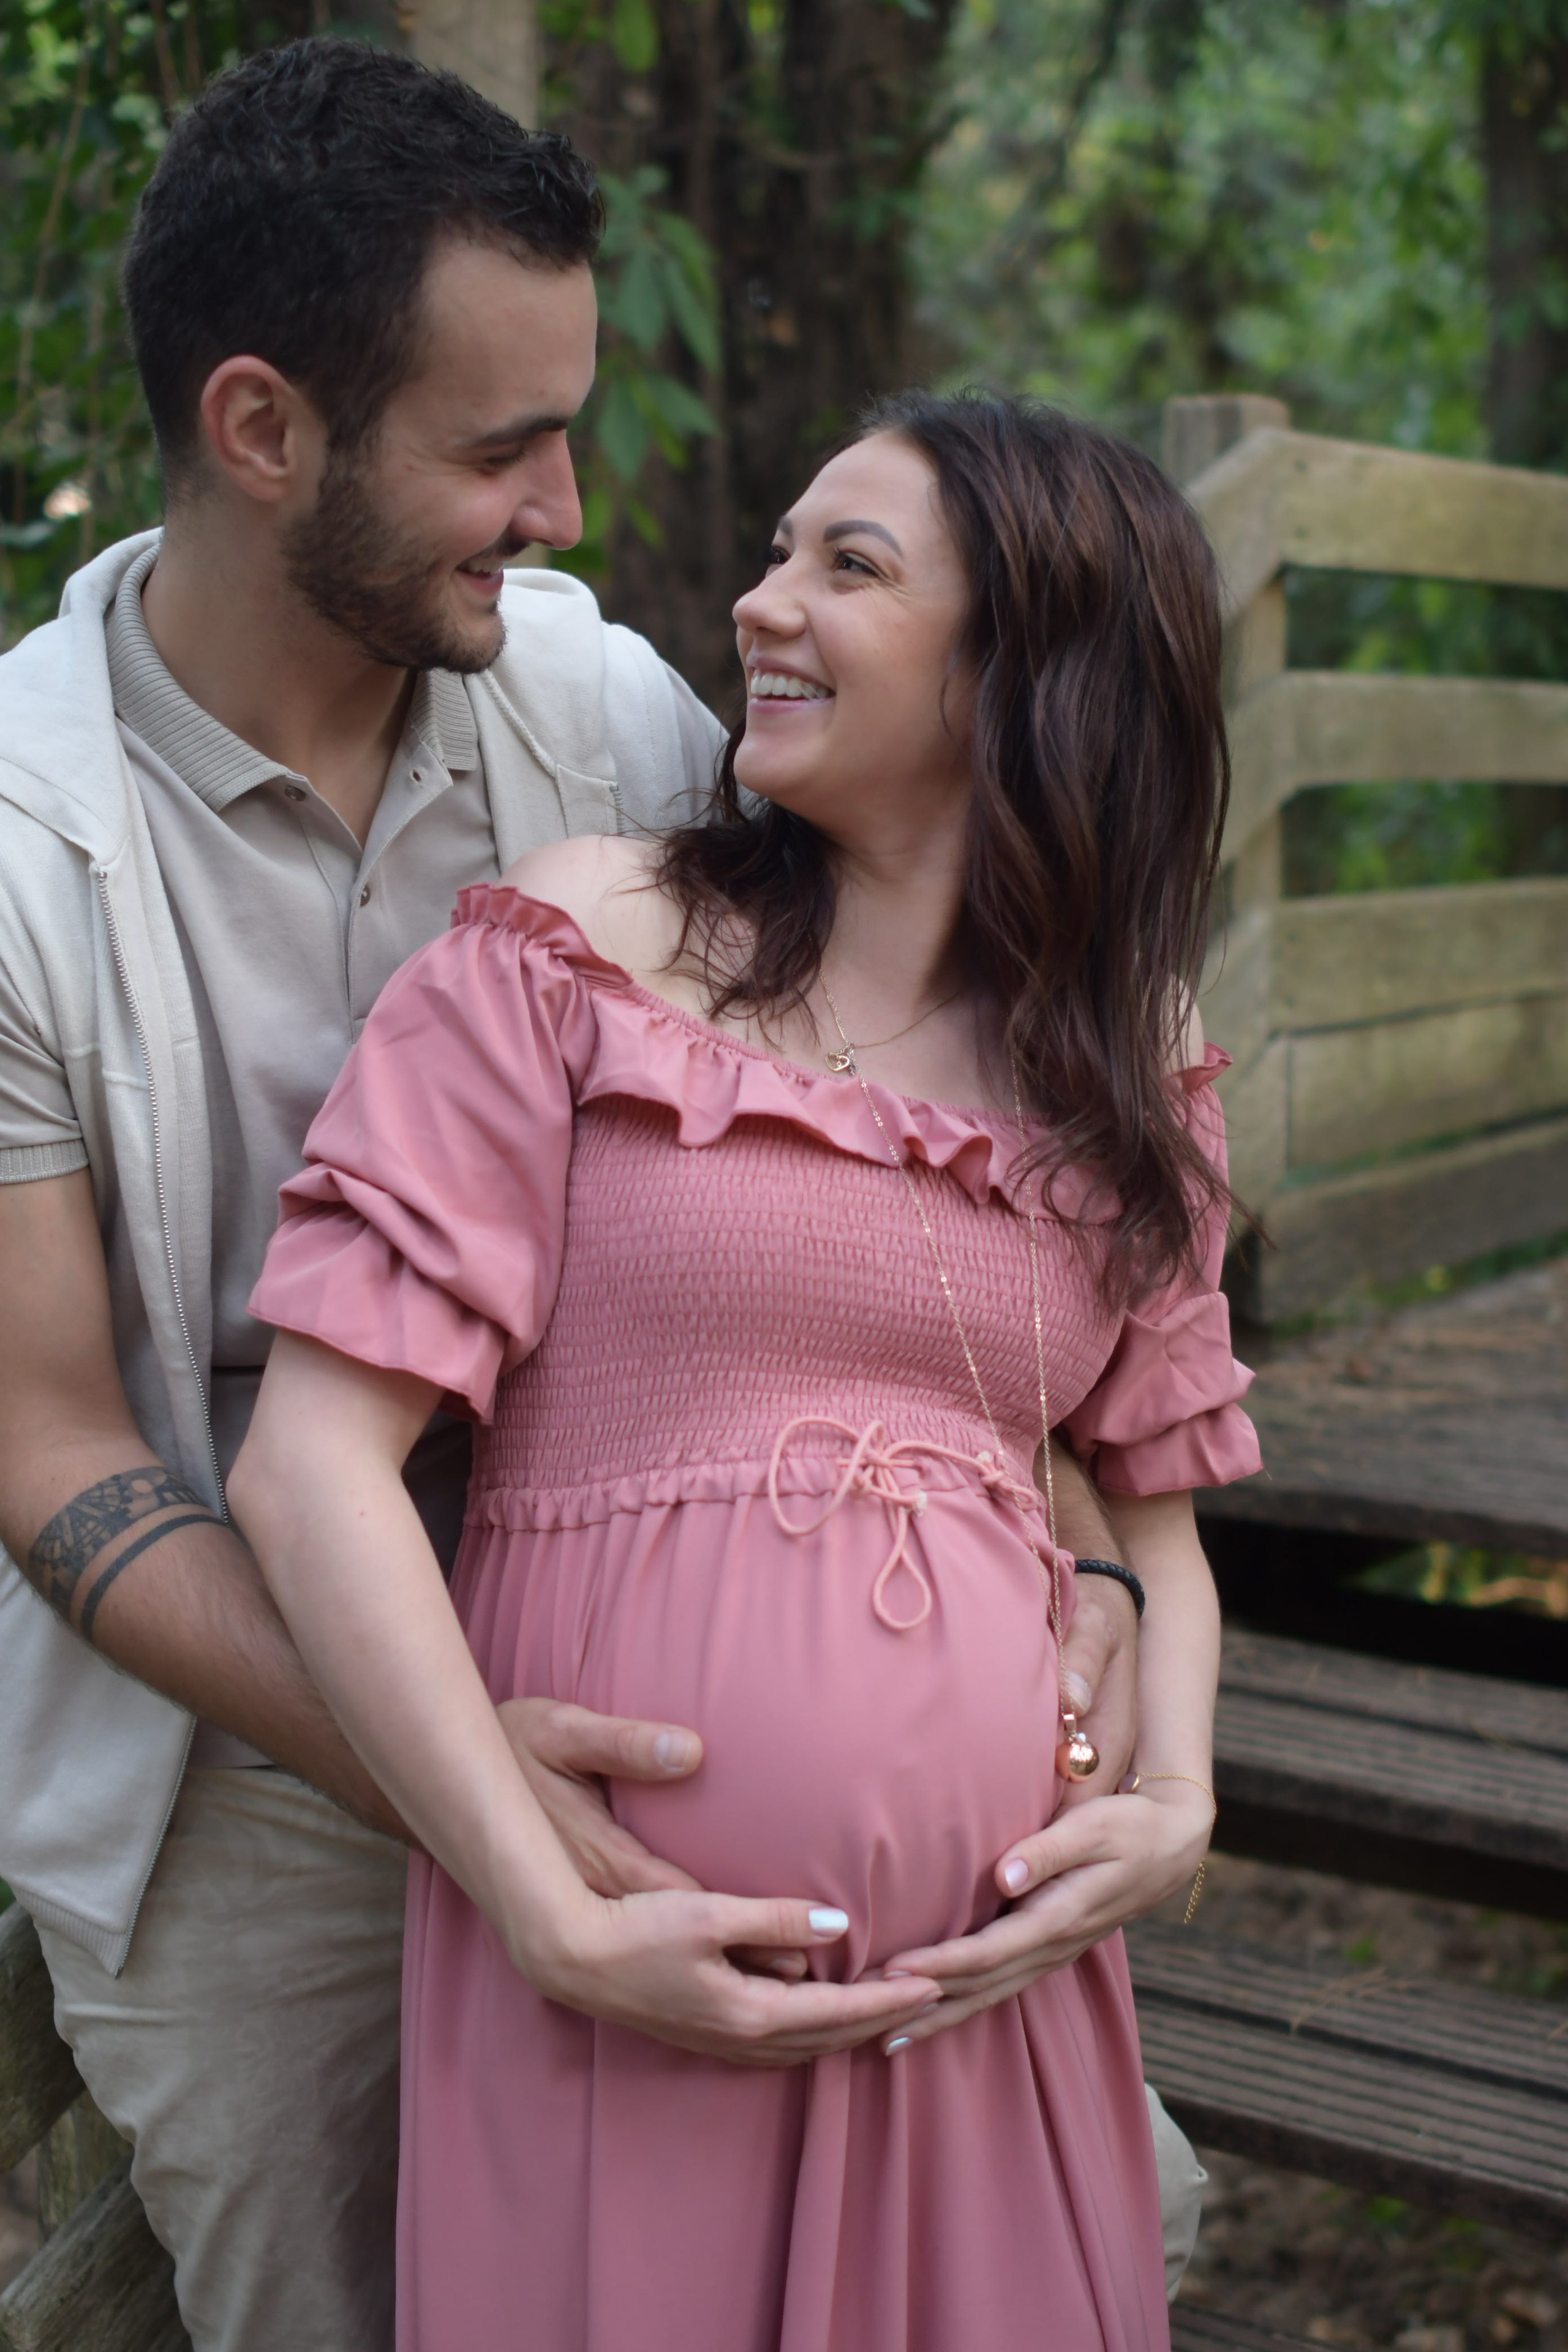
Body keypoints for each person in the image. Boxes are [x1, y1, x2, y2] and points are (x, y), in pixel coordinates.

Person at [0, 42, 1155, 2352]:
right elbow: (51, 1444)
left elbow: (910, 1150)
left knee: (1096, 2211)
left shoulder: (600, 713)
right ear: (263, 430)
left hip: (671, 1670)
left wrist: (1097, 1547)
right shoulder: (19, 853)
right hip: (236, 1740)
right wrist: (462, 1786)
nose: (563, 500)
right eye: (497, 445)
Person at [234, 391, 1261, 2350]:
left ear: (1028, 669)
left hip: (991, 2000)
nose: (757, 605)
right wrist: (539, 1905)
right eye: (781, 553)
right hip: (624, 1988)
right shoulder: (580, 947)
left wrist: (1184, 1796)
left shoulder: (1132, 1063)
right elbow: (313, 1473)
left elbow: (1160, 1521)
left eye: (845, 568)